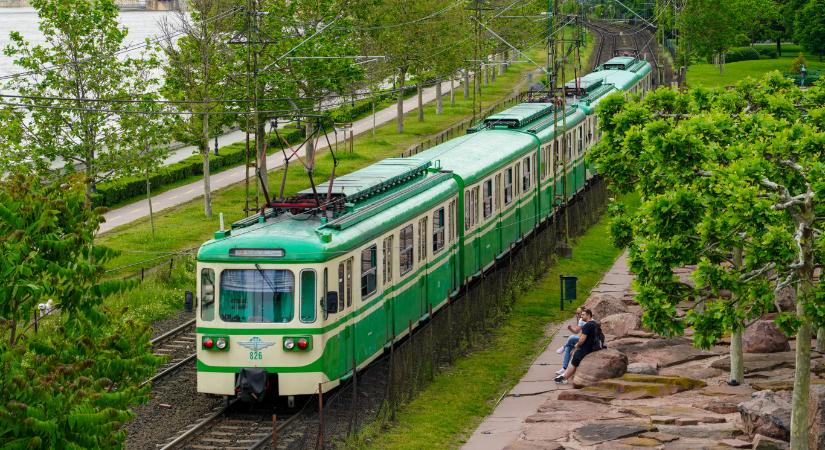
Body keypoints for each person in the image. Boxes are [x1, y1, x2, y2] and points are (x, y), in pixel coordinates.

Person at [555, 309, 601, 384]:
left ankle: (564, 378)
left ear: (588, 315)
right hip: (594, 347)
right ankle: (564, 371)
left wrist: (576, 346)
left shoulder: (587, 325)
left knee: (574, 358)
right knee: (571, 350)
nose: (581, 316)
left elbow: (582, 339)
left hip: (587, 349)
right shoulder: (594, 324)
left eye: (583, 315)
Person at [555, 307, 586, 376]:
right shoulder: (581, 319)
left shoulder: (584, 320)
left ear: (583, 313)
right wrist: (570, 328)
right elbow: (577, 331)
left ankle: (563, 346)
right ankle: (564, 368)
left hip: (586, 341)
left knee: (571, 337)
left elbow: (578, 332)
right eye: (576, 313)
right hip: (581, 339)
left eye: (578, 313)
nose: (577, 315)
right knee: (568, 347)